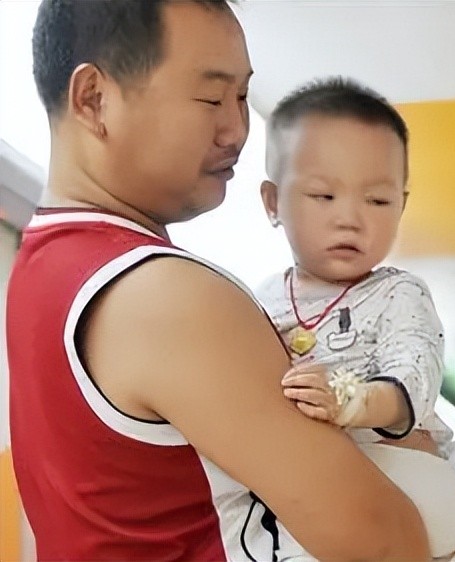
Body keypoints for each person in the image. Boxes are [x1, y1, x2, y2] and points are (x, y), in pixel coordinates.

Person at [6, 1, 429, 560]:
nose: (237, 129)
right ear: (94, 99)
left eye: (242, 97)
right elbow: (388, 543)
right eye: (211, 97)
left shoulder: (38, 273)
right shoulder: (166, 295)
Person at [254, 77, 455, 560]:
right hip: (315, 499)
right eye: (323, 196)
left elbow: (414, 375)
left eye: (377, 200)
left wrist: (351, 403)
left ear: (402, 204)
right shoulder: (258, 302)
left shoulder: (398, 292)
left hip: (403, 483)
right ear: (274, 203)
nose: (351, 219)